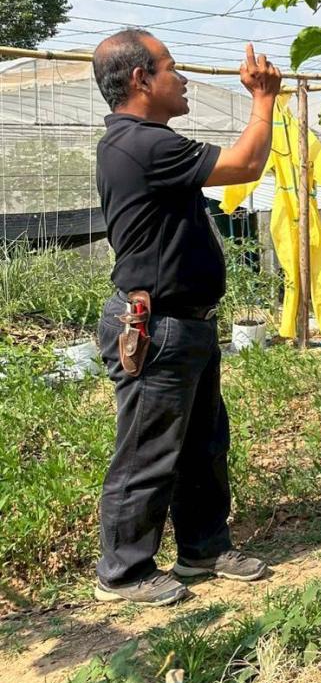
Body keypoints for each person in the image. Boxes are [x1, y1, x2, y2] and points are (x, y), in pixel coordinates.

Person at [93, 31, 280, 606]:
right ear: (140, 80)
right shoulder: (141, 145)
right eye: (172, 68)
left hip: (183, 323)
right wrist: (264, 98)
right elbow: (246, 162)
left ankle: (204, 547)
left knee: (202, 443)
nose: (184, 78)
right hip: (157, 325)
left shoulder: (145, 142)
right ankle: (123, 572)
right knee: (148, 451)